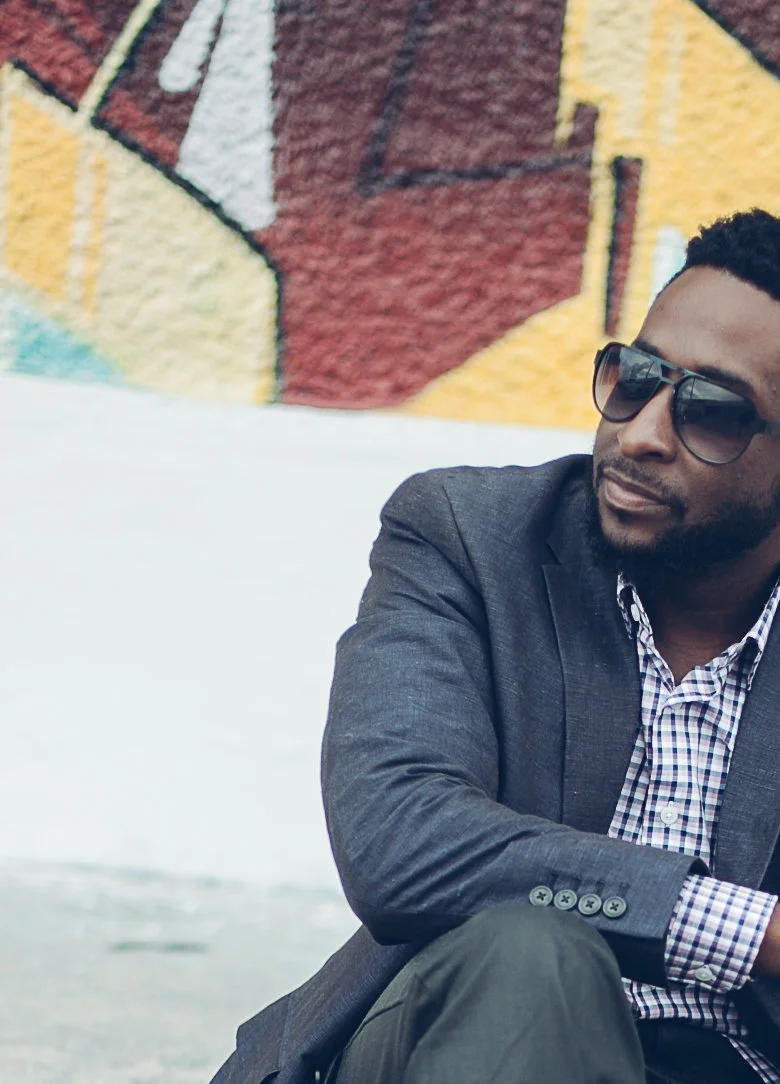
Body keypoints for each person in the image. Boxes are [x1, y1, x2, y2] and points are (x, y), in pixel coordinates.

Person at [210, 208, 780, 1084]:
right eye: (636, 378)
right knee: (536, 957)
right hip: (455, 1038)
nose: (640, 434)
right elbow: (402, 839)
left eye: (711, 412)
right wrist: (749, 929)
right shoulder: (469, 538)